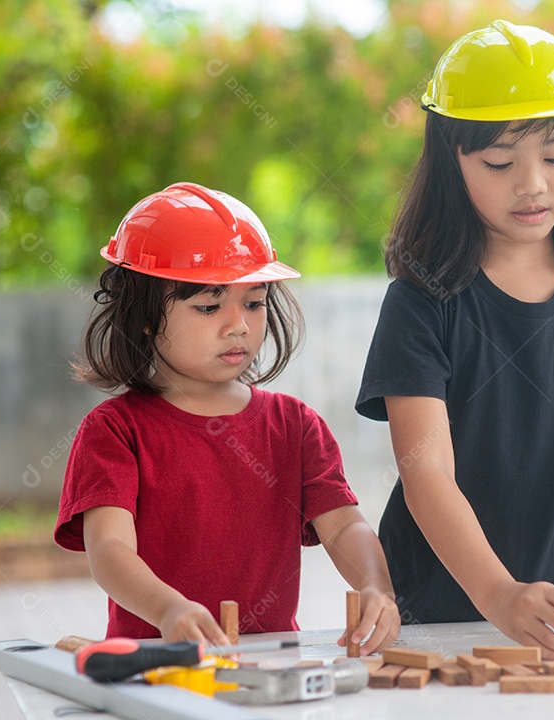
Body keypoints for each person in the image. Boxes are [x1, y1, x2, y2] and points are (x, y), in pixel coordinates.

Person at [356, 20, 554, 659]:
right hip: (435, 621)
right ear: (452, 160)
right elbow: (427, 472)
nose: (533, 184)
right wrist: (498, 594)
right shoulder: (421, 303)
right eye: (500, 161)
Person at [55, 182, 399, 654]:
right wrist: (168, 609)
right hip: (154, 673)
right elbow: (109, 550)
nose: (238, 324)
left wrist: (376, 589)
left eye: (254, 302)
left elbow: (343, 526)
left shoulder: (295, 426)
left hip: (269, 669)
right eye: (209, 305)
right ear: (146, 315)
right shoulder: (114, 431)